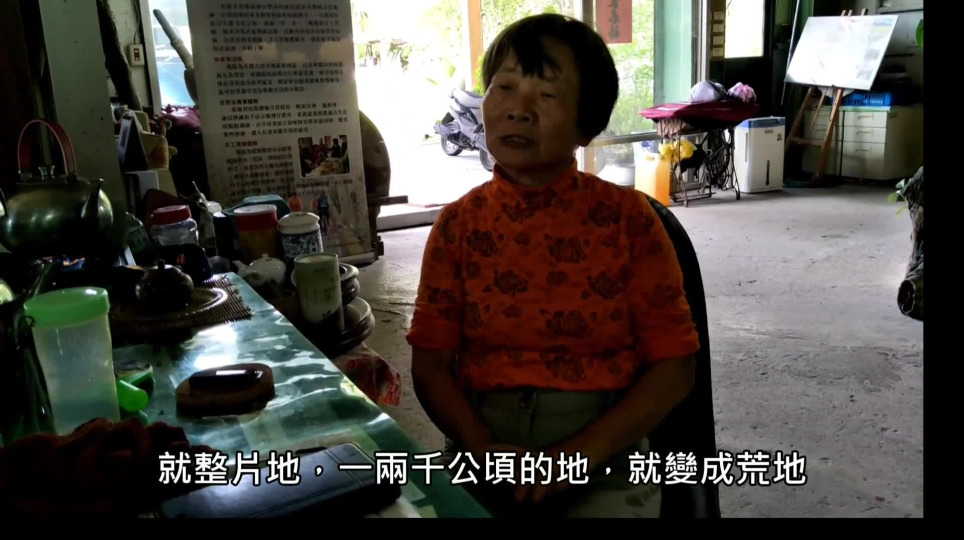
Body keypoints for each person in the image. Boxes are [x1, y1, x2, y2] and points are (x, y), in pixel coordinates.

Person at [407, 14, 700, 518]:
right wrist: (482, 449)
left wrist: (581, 455)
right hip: (481, 454)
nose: (518, 110)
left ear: (586, 122)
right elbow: (430, 366)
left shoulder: (629, 222)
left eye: (546, 94)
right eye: (504, 87)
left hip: (605, 461)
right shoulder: (457, 226)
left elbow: (675, 368)